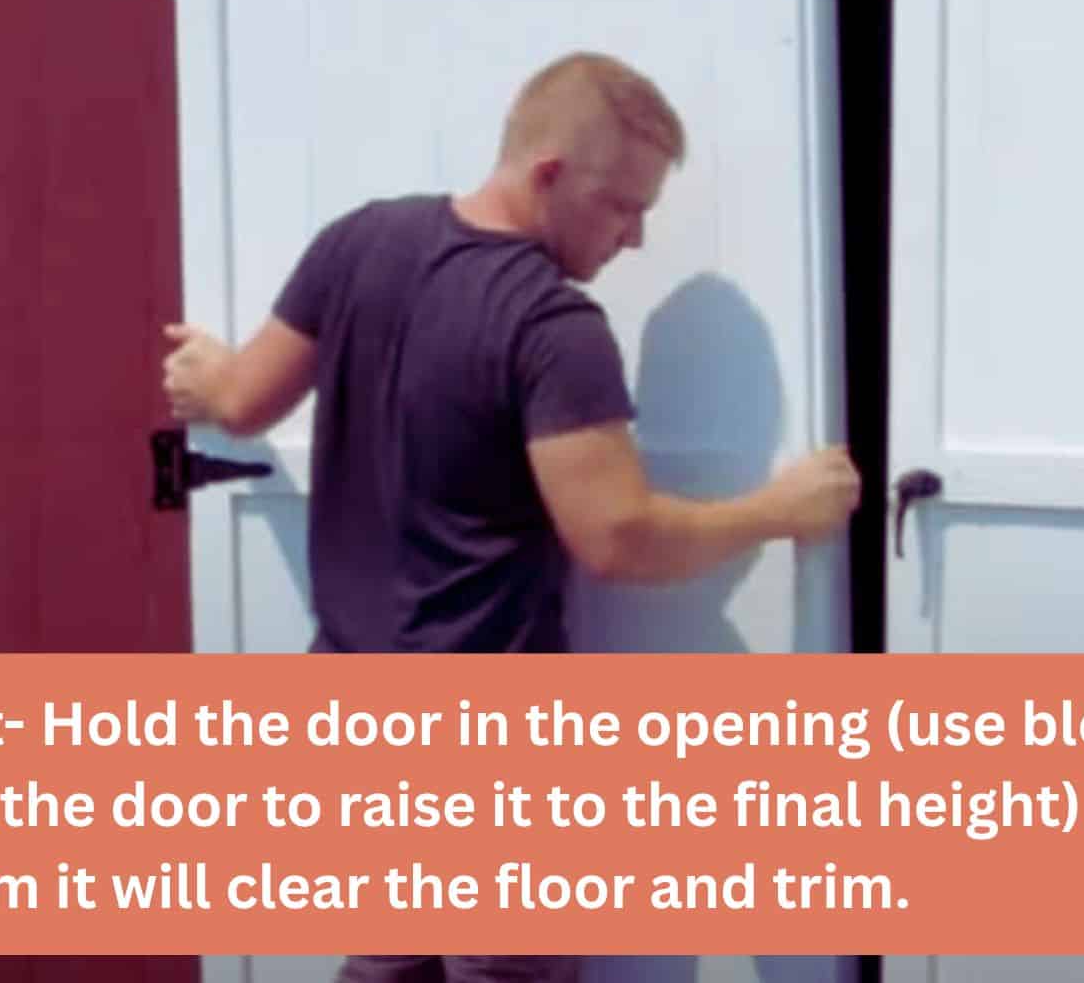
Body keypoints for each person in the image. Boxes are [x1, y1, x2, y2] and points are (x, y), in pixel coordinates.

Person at [160, 50, 861, 983]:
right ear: (548, 175)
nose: (636, 236)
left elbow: (246, 400)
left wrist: (209, 375)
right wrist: (776, 509)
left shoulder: (359, 242)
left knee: (386, 966)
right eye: (623, 205)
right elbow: (618, 537)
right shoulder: (552, 326)